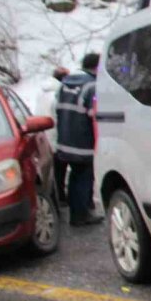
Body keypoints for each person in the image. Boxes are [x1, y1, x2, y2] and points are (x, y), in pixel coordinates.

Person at [56, 53, 102, 226]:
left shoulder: (65, 84)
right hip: (84, 143)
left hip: (66, 141)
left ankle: (77, 213)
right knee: (84, 179)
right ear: (97, 67)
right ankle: (81, 215)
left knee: (75, 178)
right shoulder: (92, 86)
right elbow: (94, 115)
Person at [35, 67, 71, 206]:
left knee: (50, 171)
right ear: (63, 78)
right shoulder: (57, 94)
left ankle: (54, 197)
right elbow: (59, 117)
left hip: (43, 135)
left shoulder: (42, 92)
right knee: (59, 171)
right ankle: (59, 198)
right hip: (55, 136)